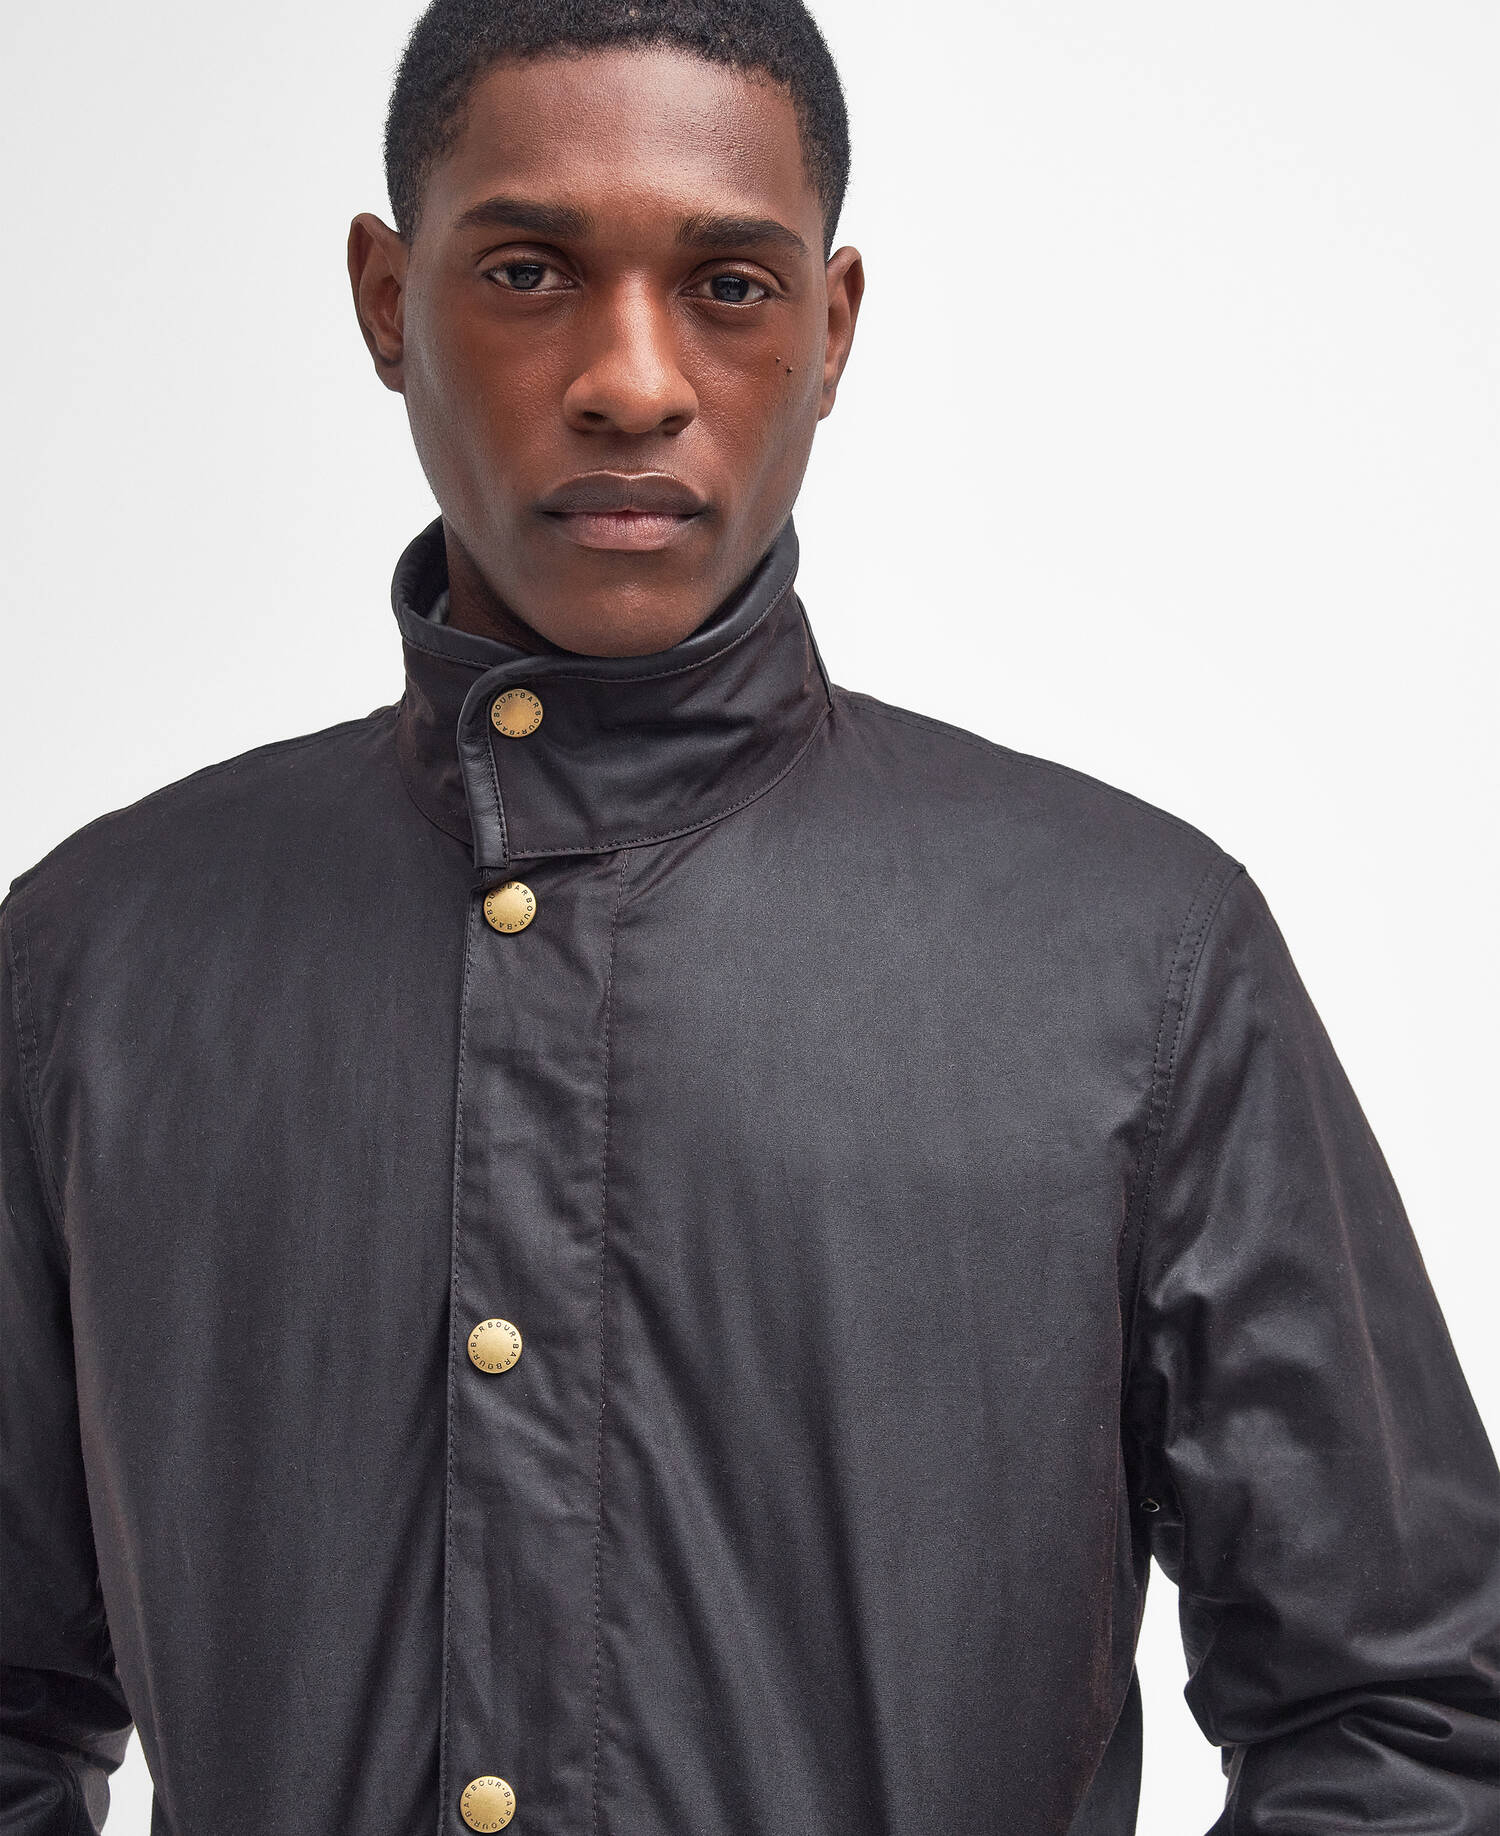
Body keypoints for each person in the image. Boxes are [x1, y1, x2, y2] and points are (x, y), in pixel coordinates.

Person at [2, 0, 1496, 1830]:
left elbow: (1408, 1709)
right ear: (388, 302)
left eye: (727, 285)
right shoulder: (100, 966)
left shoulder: (1137, 957)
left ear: (832, 326)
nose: (633, 381)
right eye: (531, 271)